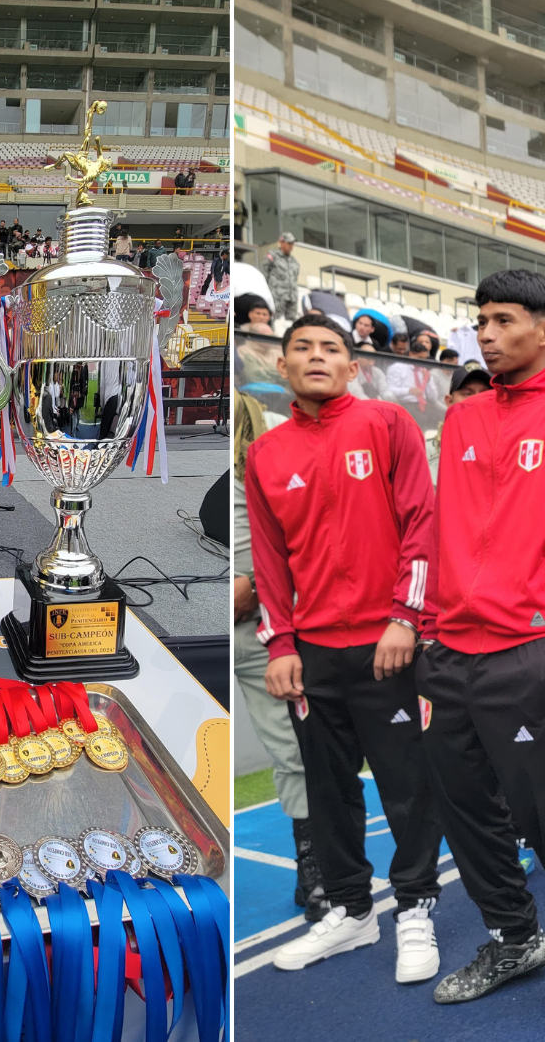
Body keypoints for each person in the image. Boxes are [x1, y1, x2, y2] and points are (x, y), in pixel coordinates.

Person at [421, 270, 545, 1042]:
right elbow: (446, 532)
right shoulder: (465, 418)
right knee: (465, 812)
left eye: (504, 319)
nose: (486, 332)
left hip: (533, 652)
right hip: (450, 655)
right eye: (480, 319)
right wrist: (433, 626)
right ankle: (515, 936)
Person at [246, 314, 444, 983]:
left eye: (331, 348)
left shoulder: (388, 426)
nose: (317, 356)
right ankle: (352, 911)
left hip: (389, 644)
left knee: (407, 786)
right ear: (283, 367)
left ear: (353, 367)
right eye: (302, 347)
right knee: (329, 794)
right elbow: (271, 564)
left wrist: (405, 618)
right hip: (315, 654)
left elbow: (423, 521)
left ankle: (416, 906)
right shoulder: (266, 455)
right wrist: (280, 644)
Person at [235, 389, 324, 921]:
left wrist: (253, 585)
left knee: (298, 750)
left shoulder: (279, 473)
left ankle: (315, 860)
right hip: (254, 637)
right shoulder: (240, 477)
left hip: (273, 632)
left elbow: (311, 549)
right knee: (292, 751)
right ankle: (314, 862)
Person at [264, 232, 301, 322]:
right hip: (277, 295)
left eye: (292, 244)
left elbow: (295, 278)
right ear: (281, 242)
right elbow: (264, 272)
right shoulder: (272, 256)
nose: (291, 246)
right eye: (289, 243)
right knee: (274, 319)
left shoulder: (294, 261)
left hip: (292, 296)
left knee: (291, 322)